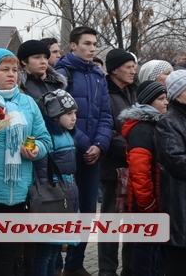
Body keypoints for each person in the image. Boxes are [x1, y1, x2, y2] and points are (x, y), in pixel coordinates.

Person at [0, 48, 51, 276]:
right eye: (4, 69)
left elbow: (45, 139)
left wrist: (36, 150)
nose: (11, 74)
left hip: (19, 191)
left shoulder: (27, 103)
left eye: (14, 69)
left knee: (8, 254)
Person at [54, 26, 113, 276]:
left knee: (88, 208)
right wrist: (84, 143)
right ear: (73, 46)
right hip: (67, 151)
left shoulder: (99, 76)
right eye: (86, 44)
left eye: (94, 44)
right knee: (62, 208)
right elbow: (57, 113)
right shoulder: (61, 72)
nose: (91, 48)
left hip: (93, 154)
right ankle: (54, 263)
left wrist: (99, 145)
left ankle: (75, 265)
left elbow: (106, 115)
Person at [119, 80, 169, 276]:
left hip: (156, 197)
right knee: (145, 248)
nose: (166, 103)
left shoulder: (157, 124)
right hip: (146, 201)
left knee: (155, 246)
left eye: (166, 98)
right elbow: (140, 170)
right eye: (161, 99)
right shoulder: (142, 129)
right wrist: (147, 202)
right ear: (148, 101)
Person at [155, 70, 186, 276]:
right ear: (176, 94)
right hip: (183, 207)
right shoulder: (169, 122)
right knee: (183, 266)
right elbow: (176, 162)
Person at [32, 90, 81, 276]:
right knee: (44, 252)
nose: (74, 118)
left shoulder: (68, 134)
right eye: (68, 114)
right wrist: (48, 199)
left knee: (54, 252)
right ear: (54, 116)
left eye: (75, 113)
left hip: (67, 194)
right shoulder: (49, 138)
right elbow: (43, 171)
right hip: (53, 198)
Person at [99, 49, 138, 276]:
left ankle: (130, 268)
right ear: (114, 70)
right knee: (111, 221)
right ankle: (107, 269)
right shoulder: (104, 93)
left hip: (136, 165)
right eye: (128, 67)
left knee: (132, 219)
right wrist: (131, 150)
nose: (133, 70)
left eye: (134, 66)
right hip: (114, 166)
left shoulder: (134, 92)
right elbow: (107, 129)